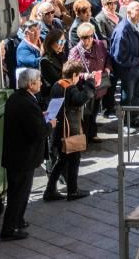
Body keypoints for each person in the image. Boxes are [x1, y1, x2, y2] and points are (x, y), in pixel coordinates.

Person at [1, 68, 55, 241]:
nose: (41, 83)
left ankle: (18, 220)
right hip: (22, 157)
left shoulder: (17, 98)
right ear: (31, 84)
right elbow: (38, 132)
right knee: (18, 194)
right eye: (39, 80)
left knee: (20, 192)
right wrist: (50, 124)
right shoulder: (27, 103)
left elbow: (27, 121)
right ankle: (9, 228)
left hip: (17, 155)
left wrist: (41, 115)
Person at [44, 60, 95, 202]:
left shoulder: (57, 84)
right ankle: (72, 191)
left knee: (61, 160)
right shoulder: (70, 88)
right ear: (73, 75)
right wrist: (90, 84)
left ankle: (50, 190)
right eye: (78, 76)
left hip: (58, 129)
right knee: (74, 160)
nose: (78, 79)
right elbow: (80, 99)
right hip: (69, 131)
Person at [110, 1, 139, 128]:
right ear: (129, 12)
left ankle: (134, 118)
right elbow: (119, 57)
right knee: (127, 98)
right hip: (128, 71)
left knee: (137, 95)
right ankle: (124, 124)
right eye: (138, 10)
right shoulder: (122, 31)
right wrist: (138, 61)